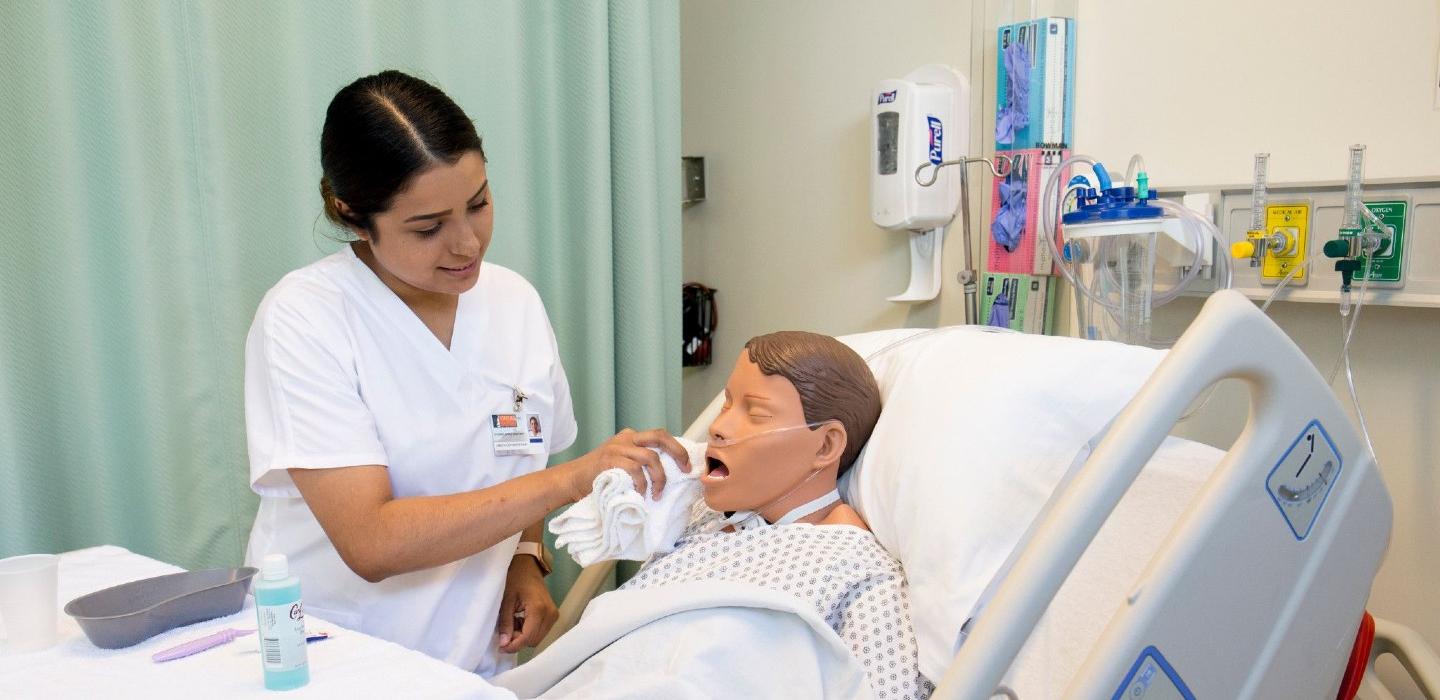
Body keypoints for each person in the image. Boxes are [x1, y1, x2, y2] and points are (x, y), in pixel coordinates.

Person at [242, 70, 685, 677]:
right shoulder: (306, 318)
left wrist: (525, 557)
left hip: (472, 665)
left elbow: (521, 455)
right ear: (351, 215)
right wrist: (577, 479)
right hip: (336, 661)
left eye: (478, 203)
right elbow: (372, 543)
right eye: (428, 228)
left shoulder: (513, 302)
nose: (468, 244)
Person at [619, 331, 934, 699]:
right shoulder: (696, 515)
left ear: (826, 445)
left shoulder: (855, 571)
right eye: (727, 404)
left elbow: (888, 690)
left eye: (756, 413)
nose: (718, 428)